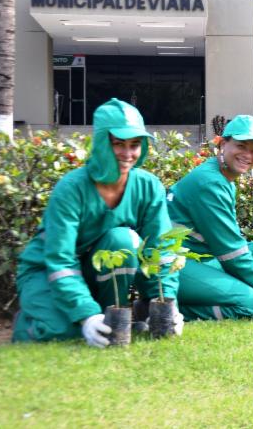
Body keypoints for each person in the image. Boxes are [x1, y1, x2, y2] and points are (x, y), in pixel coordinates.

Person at [12, 98, 182, 346]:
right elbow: (60, 259)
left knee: (123, 240)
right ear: (103, 143)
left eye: (135, 145)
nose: (128, 154)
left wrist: (167, 304)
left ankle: (106, 313)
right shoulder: (71, 188)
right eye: (118, 144)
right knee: (65, 330)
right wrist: (86, 316)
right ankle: (26, 321)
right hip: (46, 271)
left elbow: (161, 249)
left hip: (94, 271)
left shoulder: (148, 186)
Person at [166, 115, 253, 320]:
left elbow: (226, 240)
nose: (248, 155)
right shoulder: (211, 183)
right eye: (241, 146)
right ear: (223, 144)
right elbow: (230, 251)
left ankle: (168, 307)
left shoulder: (220, 177)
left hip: (188, 259)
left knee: (247, 292)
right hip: (168, 263)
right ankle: (170, 312)